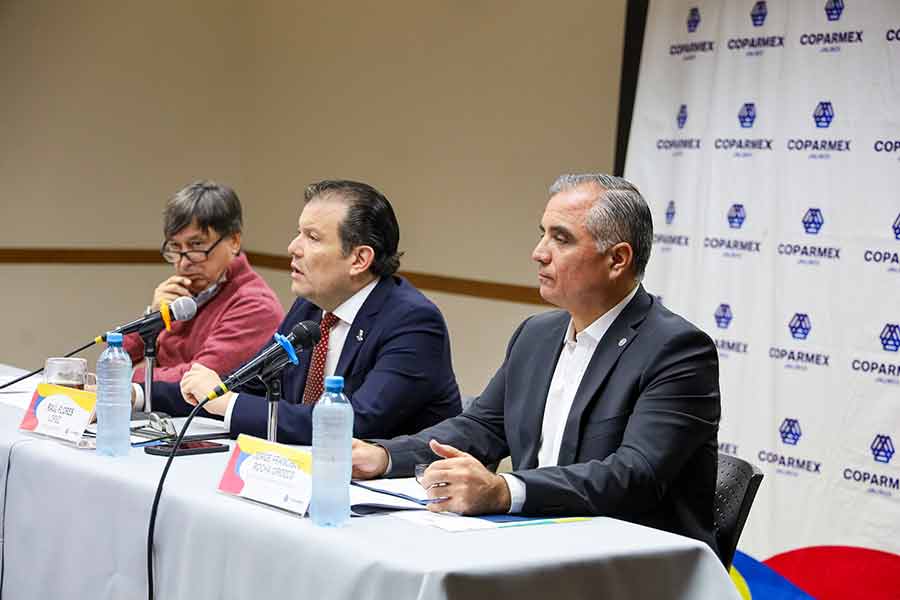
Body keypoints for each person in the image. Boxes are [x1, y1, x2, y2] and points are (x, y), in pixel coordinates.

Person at [352, 173, 721, 553]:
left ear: (617, 259)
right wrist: (382, 457)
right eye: (542, 233)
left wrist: (503, 491)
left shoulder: (677, 350)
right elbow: (480, 428)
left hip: (632, 563)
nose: (539, 252)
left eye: (561, 239)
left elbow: (634, 476)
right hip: (536, 542)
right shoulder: (537, 335)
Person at [150, 180, 462, 444]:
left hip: (395, 499)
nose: (292, 247)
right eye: (299, 233)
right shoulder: (312, 308)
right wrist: (139, 393)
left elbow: (356, 422)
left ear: (359, 259)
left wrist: (227, 403)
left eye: (311, 237)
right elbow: (248, 383)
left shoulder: (412, 322)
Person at [126, 181, 283, 402]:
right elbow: (114, 358)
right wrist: (152, 317)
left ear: (234, 241)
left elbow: (196, 382)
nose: (183, 263)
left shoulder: (256, 305)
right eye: (176, 248)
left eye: (197, 245)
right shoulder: (182, 292)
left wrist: (132, 374)